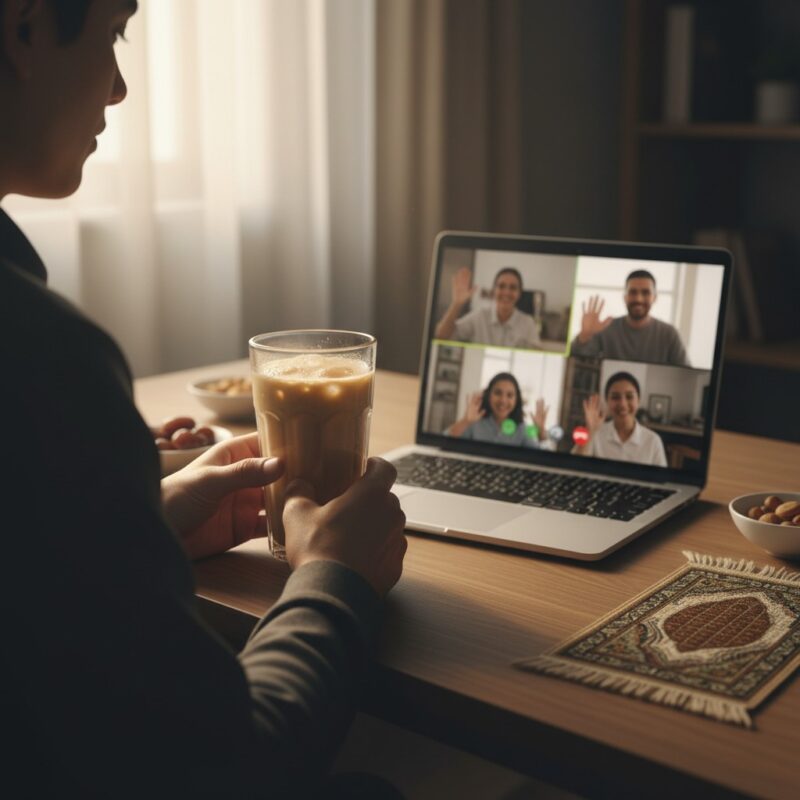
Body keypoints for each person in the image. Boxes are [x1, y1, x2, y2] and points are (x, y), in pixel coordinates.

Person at [0, 1, 406, 796]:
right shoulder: (46, 358)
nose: (118, 89)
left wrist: (132, 523)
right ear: (23, 26)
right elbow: (231, 769)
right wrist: (334, 577)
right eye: (113, 32)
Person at [570, 270, 690, 366]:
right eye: (633, 292)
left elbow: (685, 370)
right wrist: (584, 335)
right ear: (625, 297)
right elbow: (577, 362)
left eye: (645, 293)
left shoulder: (669, 334)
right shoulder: (607, 329)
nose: (638, 299)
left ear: (654, 297)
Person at [573, 372, 667, 467]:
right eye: (615, 397)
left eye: (629, 397)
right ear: (607, 401)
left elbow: (661, 480)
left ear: (638, 400)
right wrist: (590, 431)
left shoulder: (653, 441)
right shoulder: (595, 433)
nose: (622, 404)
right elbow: (575, 468)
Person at [434, 265, 541, 349]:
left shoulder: (528, 323)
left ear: (519, 293)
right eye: (501, 286)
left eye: (513, 288)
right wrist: (456, 303)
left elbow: (537, 355)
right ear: (494, 291)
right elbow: (441, 337)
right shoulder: (479, 316)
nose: (506, 292)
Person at [446, 372, 551, 449]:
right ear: (488, 395)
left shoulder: (523, 430)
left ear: (516, 400)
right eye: (497, 393)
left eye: (510, 395)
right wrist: (466, 421)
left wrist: (541, 435)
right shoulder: (474, 424)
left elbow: (543, 462)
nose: (503, 400)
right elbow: (445, 441)